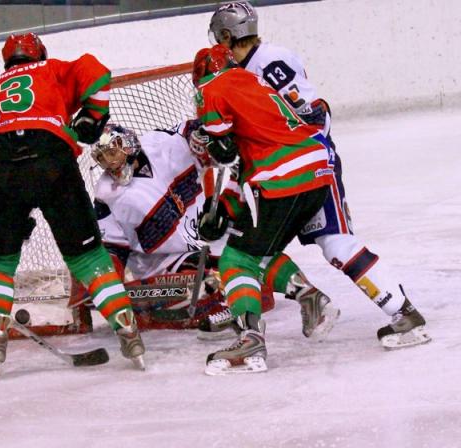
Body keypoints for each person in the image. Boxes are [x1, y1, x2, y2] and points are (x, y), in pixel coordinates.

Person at [206, 1, 430, 350]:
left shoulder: (264, 64)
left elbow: (311, 115)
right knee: (328, 244)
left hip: (299, 167)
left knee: (260, 251)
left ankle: (265, 321)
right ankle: (401, 312)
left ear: (226, 35)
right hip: (305, 162)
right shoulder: (255, 65)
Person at [0, 33, 145, 374]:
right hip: (51, 158)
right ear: (40, 54)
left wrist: (12, 213)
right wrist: (94, 114)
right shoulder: (49, 69)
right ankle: (128, 330)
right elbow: (96, 70)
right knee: (88, 257)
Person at [192, 45, 338, 374]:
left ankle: (250, 337)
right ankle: (309, 297)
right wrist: (226, 206)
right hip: (316, 168)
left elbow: (226, 153)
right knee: (259, 249)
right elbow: (244, 154)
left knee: (235, 258)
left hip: (281, 175)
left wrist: (217, 208)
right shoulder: (252, 82)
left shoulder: (210, 88)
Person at [90, 121, 275, 334]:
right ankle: (228, 306)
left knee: (252, 249)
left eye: (113, 152)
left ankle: (284, 290)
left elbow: (190, 130)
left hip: (202, 237)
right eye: (103, 158)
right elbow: (113, 250)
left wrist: (203, 136)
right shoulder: (106, 195)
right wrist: (108, 286)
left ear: (128, 143)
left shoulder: (159, 144)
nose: (110, 162)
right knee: (207, 282)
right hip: (163, 263)